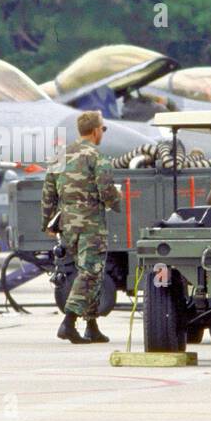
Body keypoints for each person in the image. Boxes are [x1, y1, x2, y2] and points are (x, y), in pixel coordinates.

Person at [40, 110, 122, 344]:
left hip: (68, 224)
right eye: (103, 129)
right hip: (90, 224)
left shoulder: (60, 157)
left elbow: (48, 194)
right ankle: (69, 321)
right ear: (96, 131)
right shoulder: (96, 157)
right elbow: (107, 191)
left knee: (87, 271)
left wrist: (47, 223)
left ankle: (91, 324)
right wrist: (117, 200)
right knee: (91, 271)